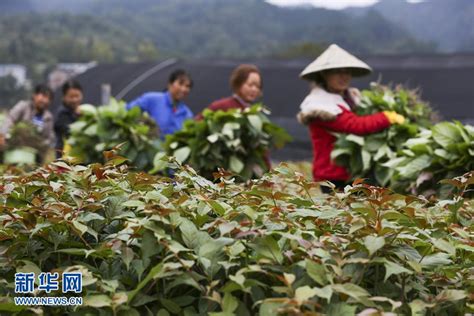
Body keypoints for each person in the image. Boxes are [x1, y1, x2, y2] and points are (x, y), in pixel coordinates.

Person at [297, 44, 405, 190]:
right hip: (332, 176)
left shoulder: (350, 98)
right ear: (324, 74)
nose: (344, 76)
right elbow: (356, 125)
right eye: (337, 72)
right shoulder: (320, 106)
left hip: (350, 174)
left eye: (347, 71)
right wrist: (386, 117)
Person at [126, 69, 193, 137]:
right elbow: (128, 113)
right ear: (170, 84)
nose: (184, 89)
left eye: (187, 86)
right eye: (180, 84)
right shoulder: (151, 99)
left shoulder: (187, 114)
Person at [196, 64, 262, 119]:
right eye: (250, 85)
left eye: (258, 86)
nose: (254, 89)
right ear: (238, 83)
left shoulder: (255, 112)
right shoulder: (221, 106)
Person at [0, 84, 55, 149]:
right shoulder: (23, 106)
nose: (46, 100)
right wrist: (2, 134)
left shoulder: (48, 117)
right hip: (14, 146)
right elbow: (10, 119)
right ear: (34, 95)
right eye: (44, 96)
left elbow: (48, 138)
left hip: (34, 152)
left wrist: (40, 145)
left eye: (49, 98)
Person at [54, 80, 83, 157]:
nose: (75, 100)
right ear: (64, 97)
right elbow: (70, 132)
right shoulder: (62, 114)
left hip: (77, 158)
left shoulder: (81, 112)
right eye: (71, 97)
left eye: (77, 96)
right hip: (64, 161)